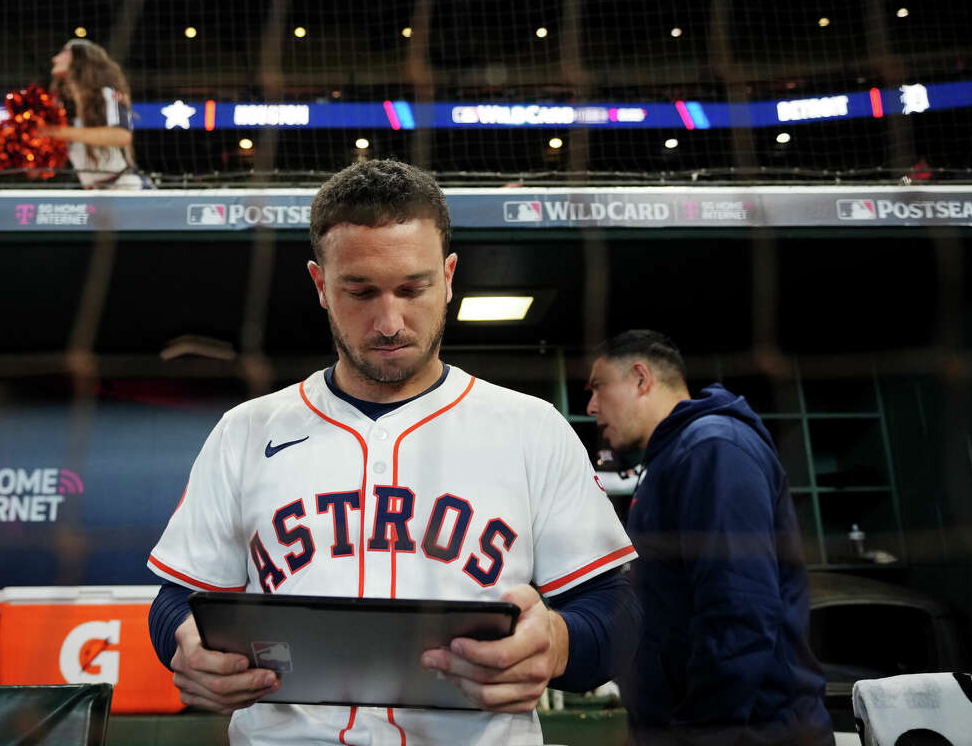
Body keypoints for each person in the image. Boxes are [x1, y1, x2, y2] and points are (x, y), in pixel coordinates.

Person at [146, 159, 642, 745]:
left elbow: (618, 609)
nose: (389, 321)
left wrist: (559, 641)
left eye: (413, 288)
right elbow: (176, 599)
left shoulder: (530, 427)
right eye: (360, 291)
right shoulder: (245, 431)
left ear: (450, 276)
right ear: (320, 286)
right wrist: (187, 648)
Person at [585, 330, 833, 746]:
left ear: (640, 379)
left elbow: (739, 612)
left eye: (598, 387)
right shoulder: (671, 459)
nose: (591, 407)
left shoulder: (713, 447)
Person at [41, 39, 152, 189]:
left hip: (126, 189)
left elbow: (122, 135)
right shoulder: (62, 105)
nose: (55, 58)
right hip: (94, 195)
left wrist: (56, 132)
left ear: (80, 59)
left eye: (64, 52)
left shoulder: (107, 94)